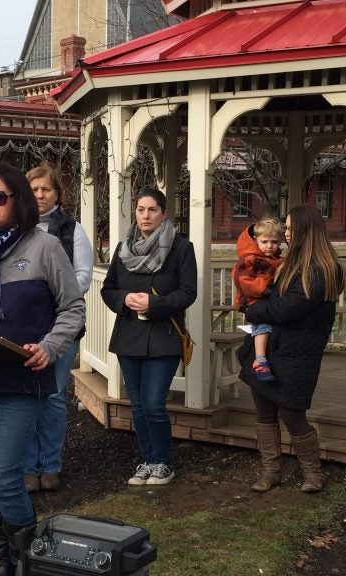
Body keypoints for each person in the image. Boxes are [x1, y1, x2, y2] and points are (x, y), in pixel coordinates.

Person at [0, 162, 85, 575]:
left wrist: (50, 346)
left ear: (18, 201)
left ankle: (29, 561)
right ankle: (8, 561)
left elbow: (73, 307)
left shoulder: (44, 247)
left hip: (21, 378)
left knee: (7, 476)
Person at [238, 206, 346, 494]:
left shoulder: (321, 270)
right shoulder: (286, 264)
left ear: (305, 231)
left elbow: (285, 310)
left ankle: (312, 472)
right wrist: (256, 308)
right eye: (284, 228)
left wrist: (252, 309)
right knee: (264, 412)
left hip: (297, 354)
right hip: (270, 350)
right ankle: (270, 470)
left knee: (292, 413)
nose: (285, 234)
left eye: (289, 229)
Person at [101, 187, 197, 487]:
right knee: (139, 405)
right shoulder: (123, 248)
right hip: (129, 335)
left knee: (154, 404)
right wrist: (126, 299)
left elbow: (188, 293)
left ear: (163, 214)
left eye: (152, 210)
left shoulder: (181, 248)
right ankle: (147, 460)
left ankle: (164, 462)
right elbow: (108, 289)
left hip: (163, 337)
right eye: (141, 210)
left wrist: (154, 304)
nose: (145, 215)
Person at [22, 162, 93, 493]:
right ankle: (27, 464)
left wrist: (51, 299)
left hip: (61, 328)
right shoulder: (16, 228)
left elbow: (82, 275)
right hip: (22, 328)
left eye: (45, 189)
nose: (39, 195)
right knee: (23, 397)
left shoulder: (71, 230)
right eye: (34, 189)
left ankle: (49, 465)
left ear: (57, 193)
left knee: (51, 396)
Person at [232, 218, 284, 382]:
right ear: (255, 240)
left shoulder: (277, 260)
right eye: (264, 241)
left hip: (268, 300)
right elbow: (243, 281)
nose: (269, 246)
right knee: (263, 326)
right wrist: (264, 288)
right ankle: (260, 360)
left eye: (274, 242)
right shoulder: (249, 259)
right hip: (253, 300)